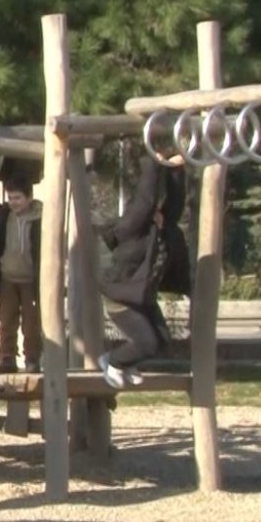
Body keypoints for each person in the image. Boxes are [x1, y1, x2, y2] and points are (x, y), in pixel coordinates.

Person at [97, 153, 190, 388]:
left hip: (141, 296)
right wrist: (153, 163)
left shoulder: (163, 229)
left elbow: (175, 204)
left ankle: (126, 364)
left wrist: (176, 170)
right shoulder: (132, 229)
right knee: (147, 342)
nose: (159, 213)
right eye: (154, 211)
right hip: (121, 298)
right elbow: (145, 200)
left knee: (161, 340)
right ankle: (113, 361)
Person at [0, 172, 44, 374]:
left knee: (31, 323)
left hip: (30, 278)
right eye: (10, 198)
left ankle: (32, 357)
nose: (13, 202)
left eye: (18, 198)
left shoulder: (40, 217)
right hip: (8, 276)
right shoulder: (5, 216)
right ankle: (7, 357)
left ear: (29, 197)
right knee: (7, 320)